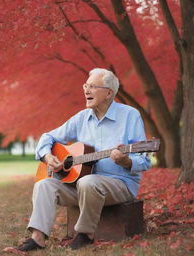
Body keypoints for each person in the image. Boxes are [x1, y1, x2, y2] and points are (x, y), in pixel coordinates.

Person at [17, 68, 151, 251]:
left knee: (88, 181)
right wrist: (48, 157)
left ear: (109, 93)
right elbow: (47, 137)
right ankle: (37, 238)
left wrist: (125, 161)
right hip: (82, 187)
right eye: (86, 86)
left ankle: (85, 235)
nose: (86, 91)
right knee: (44, 184)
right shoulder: (81, 118)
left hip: (120, 185)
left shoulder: (130, 115)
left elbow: (143, 161)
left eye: (93, 87)